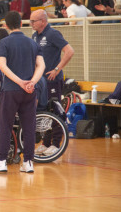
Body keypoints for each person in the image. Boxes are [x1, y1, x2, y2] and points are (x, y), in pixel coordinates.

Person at [0, 11, 45, 173]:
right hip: (30, 90)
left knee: (5, 124)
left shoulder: (4, 42)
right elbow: (42, 66)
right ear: (21, 23)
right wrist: (32, 81)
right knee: (29, 126)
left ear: (6, 25)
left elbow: (3, 66)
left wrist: (19, 81)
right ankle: (28, 163)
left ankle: (2, 161)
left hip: (11, 89)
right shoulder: (33, 43)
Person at [31, 9, 74, 155]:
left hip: (53, 80)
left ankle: (56, 143)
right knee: (44, 111)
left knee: (55, 110)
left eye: (33, 21)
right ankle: (46, 142)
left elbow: (69, 51)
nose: (31, 23)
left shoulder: (53, 34)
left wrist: (57, 68)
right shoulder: (34, 36)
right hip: (40, 81)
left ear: (42, 21)